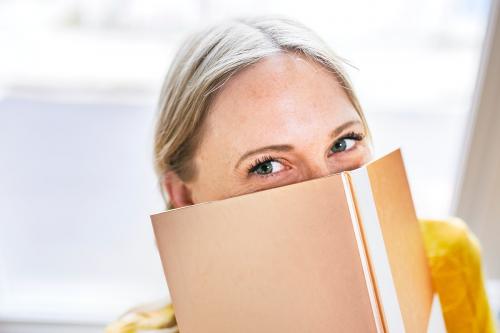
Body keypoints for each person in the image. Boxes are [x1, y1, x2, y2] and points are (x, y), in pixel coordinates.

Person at [106, 16, 497, 333]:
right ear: (184, 196)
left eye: (343, 143)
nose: (325, 190)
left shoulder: (446, 259)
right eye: (267, 165)